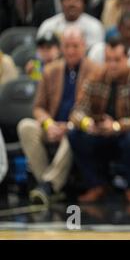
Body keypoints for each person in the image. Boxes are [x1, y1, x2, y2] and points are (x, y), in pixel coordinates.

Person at [17, 26, 97, 205]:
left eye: (75, 46)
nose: (70, 50)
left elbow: (95, 107)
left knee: (73, 134)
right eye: (67, 46)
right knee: (25, 126)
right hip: (53, 126)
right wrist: (49, 124)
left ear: (84, 46)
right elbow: (38, 107)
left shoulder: (95, 70)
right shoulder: (50, 70)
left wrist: (69, 125)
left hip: (77, 126)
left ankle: (48, 186)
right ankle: (49, 186)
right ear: (62, 47)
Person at [68, 38, 130, 204]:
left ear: (127, 58)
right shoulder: (96, 76)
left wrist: (117, 126)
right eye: (108, 60)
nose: (112, 65)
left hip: (125, 132)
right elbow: (77, 111)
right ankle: (96, 185)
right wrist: (87, 123)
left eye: (117, 60)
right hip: (99, 130)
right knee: (75, 135)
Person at [37, 0, 105, 51]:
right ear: (61, 2)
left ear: (84, 4)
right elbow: (39, 54)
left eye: (77, 0)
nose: (72, 4)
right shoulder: (48, 25)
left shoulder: (94, 26)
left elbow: (97, 55)